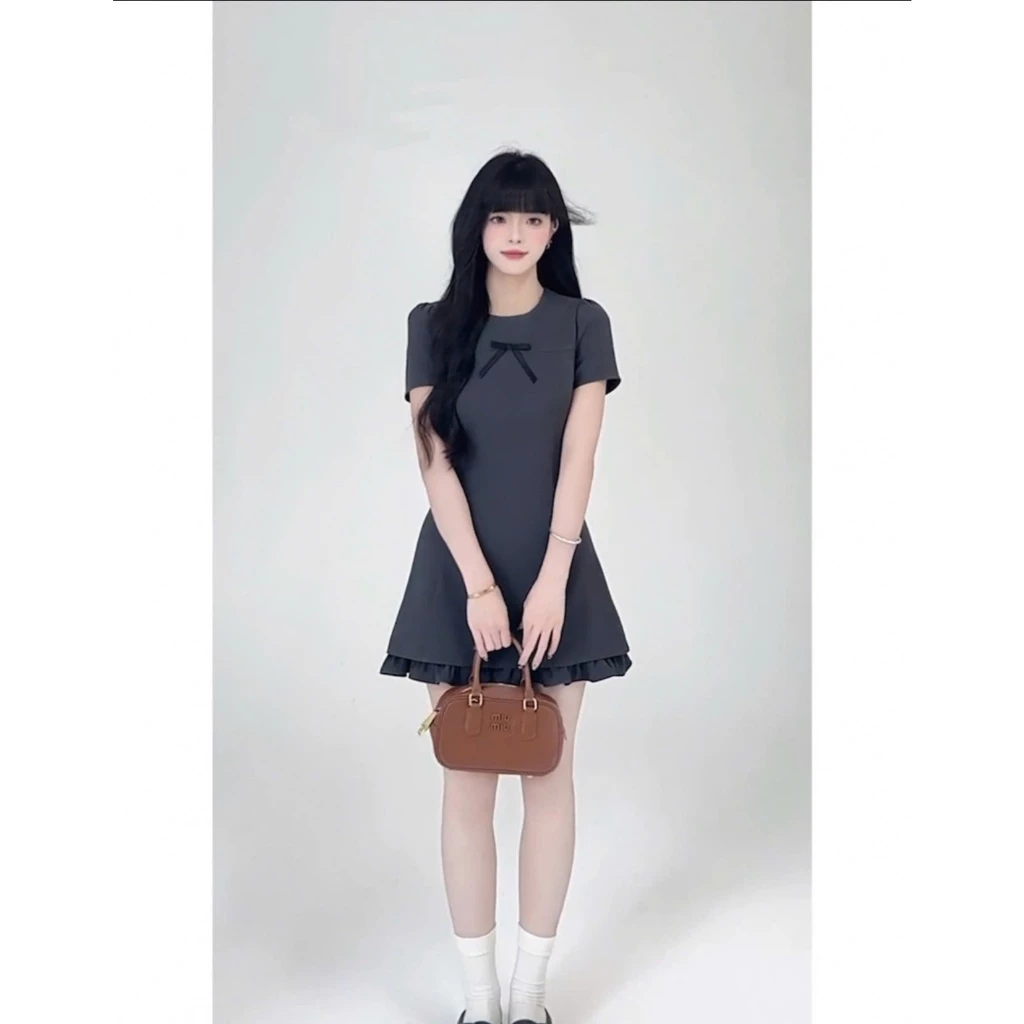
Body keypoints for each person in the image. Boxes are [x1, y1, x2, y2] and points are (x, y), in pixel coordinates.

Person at [380, 149, 631, 1024]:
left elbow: (580, 457)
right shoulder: (431, 324)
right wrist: (481, 588)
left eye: (532, 217)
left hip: (558, 574)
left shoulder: (584, 323)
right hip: (457, 577)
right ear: (476, 227)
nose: (515, 232)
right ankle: (479, 999)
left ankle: (530, 996)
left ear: (554, 230)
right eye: (499, 216)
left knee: (548, 774)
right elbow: (435, 463)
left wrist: (553, 579)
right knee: (468, 782)